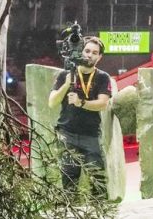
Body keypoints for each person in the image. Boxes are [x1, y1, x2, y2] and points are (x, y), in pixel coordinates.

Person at [47, 36, 112, 197]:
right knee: (69, 183)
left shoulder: (103, 77)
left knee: (98, 181)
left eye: (94, 53)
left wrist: (81, 102)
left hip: (90, 135)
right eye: (87, 51)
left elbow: (103, 103)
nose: (90, 55)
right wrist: (66, 85)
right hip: (67, 134)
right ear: (80, 52)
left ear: (99, 57)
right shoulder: (65, 74)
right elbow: (52, 102)